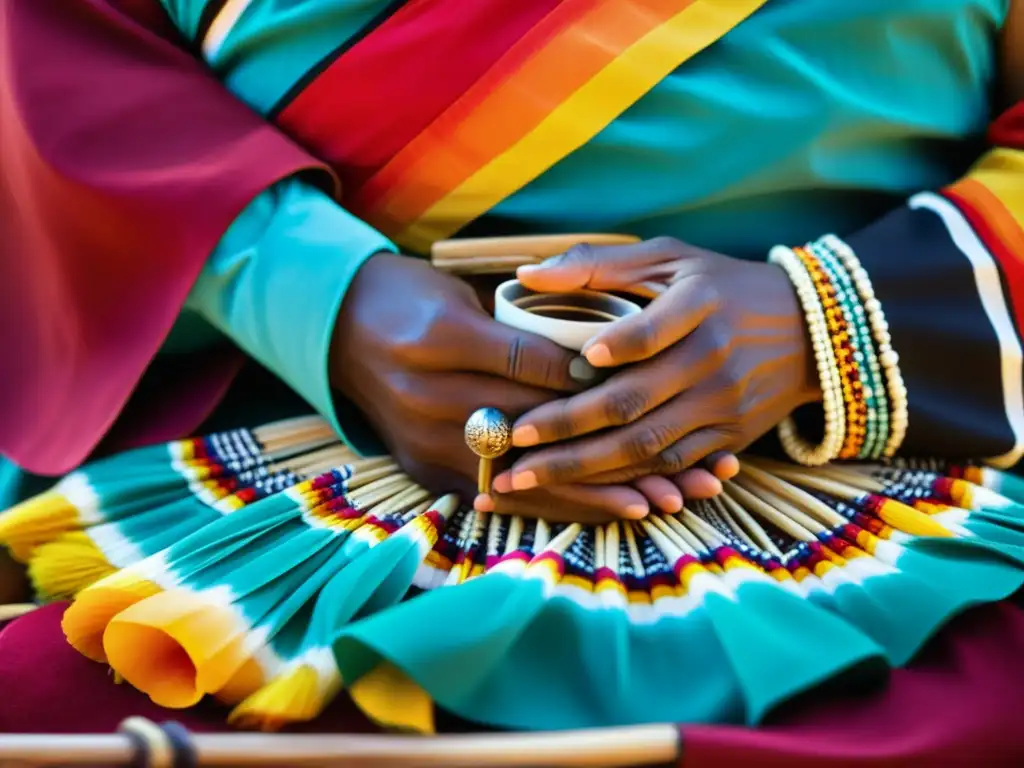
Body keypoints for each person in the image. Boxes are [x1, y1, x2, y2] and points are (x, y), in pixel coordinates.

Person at [0, 0, 1022, 762]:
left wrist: (821, 325)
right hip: (266, 437)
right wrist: (317, 293)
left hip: (906, 456)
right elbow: (66, 53)